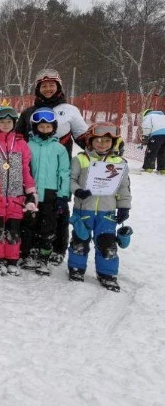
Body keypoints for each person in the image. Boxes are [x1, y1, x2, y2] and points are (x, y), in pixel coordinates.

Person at [16, 69, 89, 266]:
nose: (48, 89)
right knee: (31, 213)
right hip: (33, 175)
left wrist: (104, 145)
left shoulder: (70, 110)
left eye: (52, 85)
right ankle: (30, 247)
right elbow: (17, 140)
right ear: (38, 88)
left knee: (59, 212)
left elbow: (84, 137)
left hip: (58, 173)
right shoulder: (28, 113)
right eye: (44, 85)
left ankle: (57, 248)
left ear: (58, 87)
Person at [68, 122, 131, 292]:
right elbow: (71, 179)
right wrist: (78, 191)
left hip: (107, 211)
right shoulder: (80, 159)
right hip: (84, 210)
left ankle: (107, 273)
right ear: (90, 141)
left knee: (107, 243)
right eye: (98, 140)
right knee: (80, 240)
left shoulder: (118, 162)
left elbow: (123, 187)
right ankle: (76, 268)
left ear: (113, 143)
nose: (102, 144)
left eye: (106, 141)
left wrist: (124, 207)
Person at [0, 106, 37, 276]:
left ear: (14, 123)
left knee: (13, 229)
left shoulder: (21, 144)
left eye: (9, 122)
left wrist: (30, 192)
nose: (5, 125)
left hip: (16, 196)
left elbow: (26, 170)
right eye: (1, 122)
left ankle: (12, 259)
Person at [21, 108, 70, 275]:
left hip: (51, 194)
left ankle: (44, 257)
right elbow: (23, 169)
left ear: (53, 128)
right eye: (41, 127)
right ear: (35, 128)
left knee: (48, 227)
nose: (44, 130)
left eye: (48, 127)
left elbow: (64, 172)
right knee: (30, 225)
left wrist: (63, 196)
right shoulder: (28, 146)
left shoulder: (59, 149)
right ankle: (31, 253)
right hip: (32, 194)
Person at [141, 108, 165, 173]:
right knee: (162, 153)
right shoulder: (163, 115)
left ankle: (148, 168)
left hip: (156, 136)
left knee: (151, 152)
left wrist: (145, 137)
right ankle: (163, 169)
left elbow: (147, 127)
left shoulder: (148, 116)